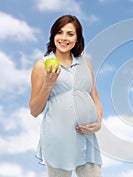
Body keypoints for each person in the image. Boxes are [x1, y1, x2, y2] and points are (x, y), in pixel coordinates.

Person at [29, 15, 103, 177]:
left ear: (77, 39)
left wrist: (98, 123)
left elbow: (95, 98)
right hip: (58, 139)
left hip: (87, 140)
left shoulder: (85, 63)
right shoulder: (42, 66)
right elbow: (34, 111)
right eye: (59, 33)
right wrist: (48, 84)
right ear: (53, 36)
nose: (64, 38)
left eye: (70, 34)